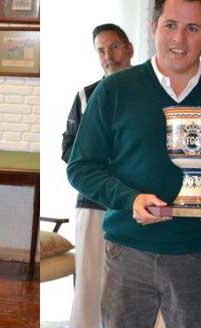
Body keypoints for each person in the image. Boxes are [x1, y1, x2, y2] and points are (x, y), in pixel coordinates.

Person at [67, 0, 201, 328]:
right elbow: (81, 168)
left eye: (193, 28)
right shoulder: (114, 91)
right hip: (126, 251)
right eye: (170, 25)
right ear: (153, 27)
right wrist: (130, 199)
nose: (179, 39)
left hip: (193, 252)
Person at [61, 23, 133, 328]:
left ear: (129, 48)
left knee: (132, 284)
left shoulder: (148, 92)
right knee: (91, 282)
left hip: (137, 204)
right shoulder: (85, 96)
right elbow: (68, 149)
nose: (109, 56)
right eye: (101, 50)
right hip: (92, 203)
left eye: (114, 47)